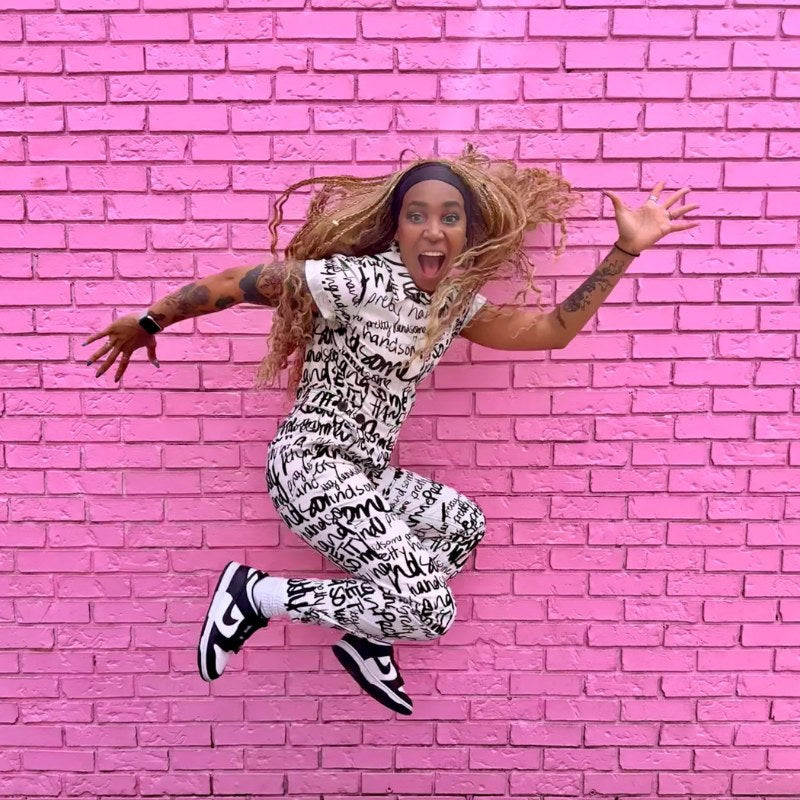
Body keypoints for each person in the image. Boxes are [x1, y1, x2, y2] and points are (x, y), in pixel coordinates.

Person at [84, 144, 699, 716]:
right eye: (417, 216)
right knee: (431, 612)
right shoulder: (354, 282)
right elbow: (233, 284)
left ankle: (367, 635)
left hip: (366, 472)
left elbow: (551, 332)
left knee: (461, 524)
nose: (433, 230)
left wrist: (625, 251)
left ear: (466, 234)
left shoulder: (453, 304)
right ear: (397, 227)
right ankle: (256, 595)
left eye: (450, 218)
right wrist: (148, 322)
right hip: (310, 465)